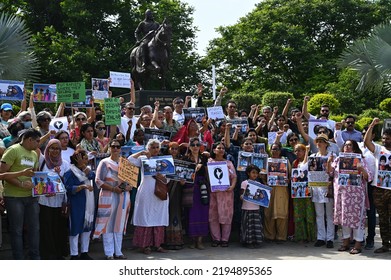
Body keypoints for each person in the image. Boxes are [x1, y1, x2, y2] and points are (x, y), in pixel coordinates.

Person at [0, 128, 41, 259]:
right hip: (14, 197)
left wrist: (42, 186)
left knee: (34, 229)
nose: (39, 143)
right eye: (37, 141)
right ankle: (19, 260)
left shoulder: (34, 154)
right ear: (30, 140)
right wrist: (21, 183)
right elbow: (1, 174)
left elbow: (34, 174)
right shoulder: (13, 150)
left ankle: (35, 257)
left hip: (31, 197)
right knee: (16, 230)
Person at [328, 140, 372, 254]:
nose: (347, 147)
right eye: (346, 145)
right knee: (344, 218)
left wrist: (361, 169)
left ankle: (358, 244)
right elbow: (330, 173)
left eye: (350, 145)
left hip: (356, 196)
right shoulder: (338, 159)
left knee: (357, 219)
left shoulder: (361, 159)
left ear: (354, 148)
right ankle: (346, 242)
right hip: (342, 195)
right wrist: (328, 162)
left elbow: (369, 177)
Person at [93, 139, 132, 260]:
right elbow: (98, 180)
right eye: (113, 146)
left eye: (118, 147)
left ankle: (118, 252)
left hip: (122, 196)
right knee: (107, 223)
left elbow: (130, 180)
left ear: (120, 148)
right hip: (108, 196)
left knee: (119, 223)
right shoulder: (104, 162)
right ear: (109, 148)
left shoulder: (125, 163)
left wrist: (129, 186)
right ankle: (109, 253)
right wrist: (113, 189)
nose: (115, 149)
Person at [128, 139, 169, 255]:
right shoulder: (143, 159)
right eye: (153, 147)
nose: (156, 150)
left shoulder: (164, 160)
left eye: (157, 147)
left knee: (158, 217)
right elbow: (130, 161)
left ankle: (158, 244)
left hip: (160, 191)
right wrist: (141, 153)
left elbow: (168, 178)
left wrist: (161, 177)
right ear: (148, 148)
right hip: (146, 192)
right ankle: (145, 245)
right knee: (145, 217)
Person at [38, 139, 70, 260]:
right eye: (52, 148)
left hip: (59, 202)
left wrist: (59, 175)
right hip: (44, 201)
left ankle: (58, 253)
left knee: (58, 228)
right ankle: (47, 254)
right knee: (46, 227)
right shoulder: (42, 161)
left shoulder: (65, 164)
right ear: (47, 149)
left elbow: (67, 183)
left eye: (57, 148)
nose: (55, 151)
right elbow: (37, 178)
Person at [363, 117, 391, 253]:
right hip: (379, 190)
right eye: (384, 138)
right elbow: (366, 141)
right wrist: (372, 125)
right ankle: (386, 244)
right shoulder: (379, 149)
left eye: (388, 138)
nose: (385, 140)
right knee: (384, 219)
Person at [63, 149, 96, 260]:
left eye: (87, 158)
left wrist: (83, 166)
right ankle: (74, 254)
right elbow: (67, 188)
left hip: (88, 204)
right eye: (84, 158)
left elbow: (92, 176)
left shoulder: (87, 170)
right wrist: (81, 187)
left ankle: (84, 252)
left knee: (87, 228)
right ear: (78, 159)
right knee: (75, 228)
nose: (87, 160)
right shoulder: (70, 172)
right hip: (76, 204)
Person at [208, 142, 237, 247]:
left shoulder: (228, 163)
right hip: (214, 193)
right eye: (218, 148)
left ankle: (225, 239)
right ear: (214, 150)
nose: (221, 150)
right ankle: (216, 239)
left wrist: (232, 186)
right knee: (213, 216)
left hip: (226, 193)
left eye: (222, 148)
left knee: (227, 216)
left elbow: (234, 177)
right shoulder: (210, 162)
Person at [183, 137, 209, 250]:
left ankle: (200, 240)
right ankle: (192, 240)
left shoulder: (204, 158)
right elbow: (182, 174)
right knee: (191, 214)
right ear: (189, 146)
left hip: (202, 187)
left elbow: (208, 173)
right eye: (192, 145)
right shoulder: (185, 158)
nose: (195, 147)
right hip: (190, 187)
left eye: (197, 145)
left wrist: (203, 166)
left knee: (203, 212)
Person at [310, 133, 335, 248]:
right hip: (316, 187)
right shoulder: (313, 156)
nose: (319, 144)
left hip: (328, 187)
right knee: (319, 214)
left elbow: (333, 172)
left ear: (326, 144)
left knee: (329, 214)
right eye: (318, 141)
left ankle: (330, 238)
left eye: (322, 141)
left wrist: (329, 162)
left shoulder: (332, 155)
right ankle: (321, 237)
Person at [263, 142, 290, 243]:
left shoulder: (285, 161)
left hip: (282, 190)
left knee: (281, 213)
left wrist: (288, 180)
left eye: (277, 149)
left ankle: (281, 236)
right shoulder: (267, 161)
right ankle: (269, 235)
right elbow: (262, 174)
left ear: (280, 150)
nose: (275, 151)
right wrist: (264, 180)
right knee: (268, 213)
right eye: (273, 149)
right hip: (269, 189)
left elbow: (291, 175)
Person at [292, 143, 316, 243]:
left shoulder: (310, 161)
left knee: (309, 213)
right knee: (298, 215)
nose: (298, 152)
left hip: (307, 191)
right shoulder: (294, 163)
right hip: (297, 192)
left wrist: (307, 150)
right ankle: (301, 236)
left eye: (300, 150)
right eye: (296, 151)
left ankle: (311, 236)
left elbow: (305, 165)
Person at [164, 141, 185, 250]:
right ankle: (167, 240)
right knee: (166, 214)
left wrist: (182, 181)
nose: (174, 151)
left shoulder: (181, 162)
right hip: (165, 190)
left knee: (175, 213)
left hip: (177, 191)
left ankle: (177, 240)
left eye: (176, 149)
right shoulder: (164, 161)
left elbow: (185, 175)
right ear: (168, 149)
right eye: (172, 148)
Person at [240, 164, 265, 249]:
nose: (255, 174)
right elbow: (241, 195)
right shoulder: (244, 183)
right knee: (247, 226)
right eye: (253, 172)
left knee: (256, 226)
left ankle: (256, 241)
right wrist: (244, 195)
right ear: (248, 173)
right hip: (246, 208)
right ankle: (247, 242)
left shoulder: (258, 184)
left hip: (256, 208)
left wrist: (263, 196)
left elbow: (262, 195)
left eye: (256, 173)